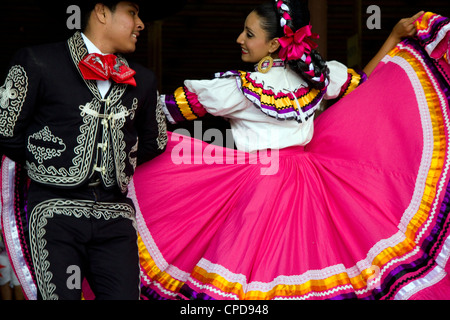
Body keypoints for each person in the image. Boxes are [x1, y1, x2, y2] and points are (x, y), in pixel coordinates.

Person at [127, 0, 450, 300]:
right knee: (308, 262)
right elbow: (366, 85)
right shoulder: (319, 78)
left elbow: (158, 112)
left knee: (248, 274)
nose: (240, 38)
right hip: (311, 182)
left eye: (249, 34)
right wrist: (393, 36)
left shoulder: (236, 88)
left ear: (272, 45)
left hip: (259, 186)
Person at [0, 0, 167, 300]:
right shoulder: (37, 61)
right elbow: (6, 131)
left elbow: (156, 141)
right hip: (55, 215)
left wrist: (115, 161)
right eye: (132, 13)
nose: (140, 24)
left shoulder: (143, 79)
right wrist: (50, 164)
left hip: (115, 218)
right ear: (102, 12)